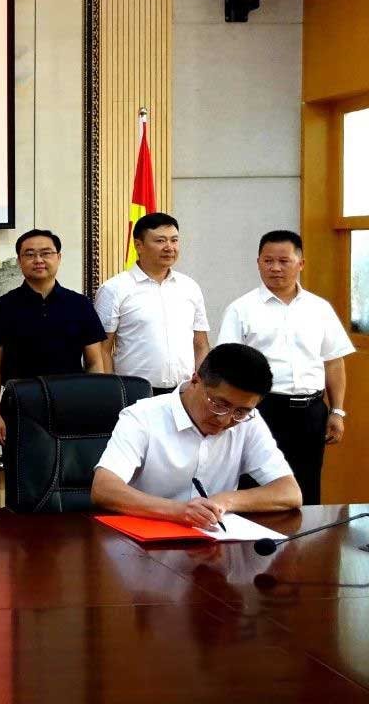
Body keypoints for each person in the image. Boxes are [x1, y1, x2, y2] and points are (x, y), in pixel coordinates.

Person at [91, 343, 301, 527]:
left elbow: (289, 492)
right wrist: (179, 511)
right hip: (144, 539)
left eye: (240, 411)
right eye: (219, 404)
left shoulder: (249, 422)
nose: (225, 420)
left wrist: (224, 501)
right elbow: (104, 489)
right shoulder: (142, 416)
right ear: (195, 380)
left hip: (212, 542)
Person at [217, 230, 354, 505]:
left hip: (311, 412)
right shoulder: (241, 309)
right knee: (256, 485)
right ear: (258, 263)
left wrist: (337, 411)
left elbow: (333, 361)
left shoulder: (319, 308)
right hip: (260, 410)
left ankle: (307, 535)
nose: (275, 268)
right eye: (268, 261)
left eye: (284, 261)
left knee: (307, 488)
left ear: (300, 263)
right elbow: (227, 364)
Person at [0, 229, 106, 445]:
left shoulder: (80, 304)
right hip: (20, 404)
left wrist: (94, 405)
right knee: (22, 465)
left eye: (46, 253)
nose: (38, 260)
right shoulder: (3, 306)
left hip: (71, 402)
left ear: (58, 257)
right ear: (19, 261)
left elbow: (95, 361)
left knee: (71, 464)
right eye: (30, 254)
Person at [94, 213, 210, 395]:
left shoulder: (190, 287)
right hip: (134, 391)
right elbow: (102, 349)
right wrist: (109, 392)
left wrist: (203, 388)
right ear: (138, 245)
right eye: (160, 241)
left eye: (174, 240)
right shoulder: (114, 288)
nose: (169, 247)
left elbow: (200, 344)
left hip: (184, 392)